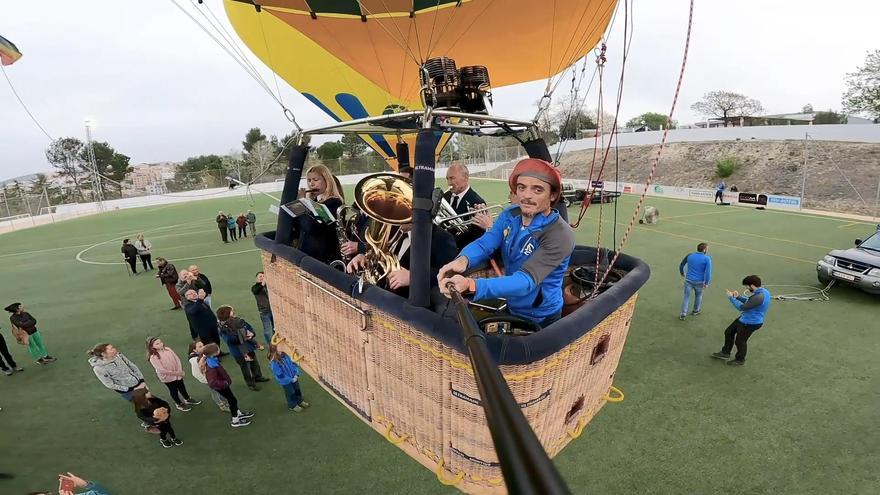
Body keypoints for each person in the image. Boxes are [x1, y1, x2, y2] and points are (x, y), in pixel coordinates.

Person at [438, 158, 576, 327]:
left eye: (537, 189)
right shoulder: (510, 215)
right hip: (513, 303)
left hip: (541, 315)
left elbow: (525, 281)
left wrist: (471, 285)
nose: (526, 195)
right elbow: (485, 243)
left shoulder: (559, 234)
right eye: (521, 187)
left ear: (553, 195)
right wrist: (462, 260)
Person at [347, 222, 458, 298]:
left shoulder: (442, 238)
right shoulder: (397, 230)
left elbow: (450, 274)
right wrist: (366, 258)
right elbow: (383, 258)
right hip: (382, 298)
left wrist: (413, 277)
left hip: (410, 310)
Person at [711, 275, 771, 366]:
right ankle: (725, 353)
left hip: (751, 323)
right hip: (745, 319)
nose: (746, 288)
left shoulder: (759, 297)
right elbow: (749, 301)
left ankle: (740, 359)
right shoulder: (764, 292)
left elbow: (742, 307)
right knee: (729, 332)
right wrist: (738, 296)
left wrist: (731, 298)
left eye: (747, 286)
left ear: (752, 285)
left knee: (740, 341)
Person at [296, 164, 344, 263]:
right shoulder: (316, 202)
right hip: (308, 256)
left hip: (322, 260)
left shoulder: (334, 202)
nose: (311, 184)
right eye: (309, 181)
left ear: (327, 180)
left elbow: (311, 227)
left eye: (315, 180)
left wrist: (302, 203)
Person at [201, 343, 254, 427]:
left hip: (222, 385)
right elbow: (212, 382)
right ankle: (235, 420)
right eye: (217, 349)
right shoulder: (212, 366)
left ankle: (238, 413)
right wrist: (224, 383)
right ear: (214, 353)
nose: (219, 350)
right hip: (221, 386)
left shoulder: (212, 360)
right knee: (232, 400)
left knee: (232, 399)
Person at [217, 305, 269, 391]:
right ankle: (250, 383)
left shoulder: (239, 320)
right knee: (245, 367)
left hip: (248, 346)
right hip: (238, 351)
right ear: (227, 314)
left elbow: (249, 327)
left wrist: (251, 334)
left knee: (254, 362)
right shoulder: (222, 328)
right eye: (232, 311)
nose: (234, 312)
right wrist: (242, 336)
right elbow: (229, 341)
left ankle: (257, 376)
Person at [146, 337, 201, 412]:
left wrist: (179, 370)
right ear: (152, 347)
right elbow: (161, 370)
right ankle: (179, 404)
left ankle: (187, 398)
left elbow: (177, 359)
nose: (161, 344)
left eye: (160, 342)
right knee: (173, 390)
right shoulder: (153, 357)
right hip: (167, 377)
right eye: (157, 343)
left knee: (182, 386)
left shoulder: (168, 349)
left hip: (178, 373)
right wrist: (177, 373)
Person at [443, 164, 491, 248]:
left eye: (452, 178)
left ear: (465, 178)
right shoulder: (445, 196)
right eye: (447, 179)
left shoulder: (477, 202)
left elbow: (476, 237)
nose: (449, 183)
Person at [187, 340, 230, 412]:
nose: (203, 347)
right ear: (194, 350)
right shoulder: (194, 359)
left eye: (203, 345)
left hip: (208, 375)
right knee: (214, 391)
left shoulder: (202, 354)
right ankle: (221, 405)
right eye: (200, 346)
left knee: (217, 389)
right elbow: (201, 369)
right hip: (204, 377)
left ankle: (223, 399)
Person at [268, 344, 311, 412]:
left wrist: (296, 374)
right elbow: (280, 375)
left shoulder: (286, 355)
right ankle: (293, 405)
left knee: (297, 389)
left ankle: (299, 401)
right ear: (275, 350)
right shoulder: (274, 362)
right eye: (281, 347)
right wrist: (291, 379)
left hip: (294, 377)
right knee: (291, 393)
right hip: (286, 382)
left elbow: (294, 364)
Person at [679, 242, 712, 320]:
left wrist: (682, 272)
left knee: (686, 297)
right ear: (704, 250)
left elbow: (681, 264)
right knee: (698, 296)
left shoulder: (689, 256)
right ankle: (695, 310)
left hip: (688, 280)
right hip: (699, 282)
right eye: (707, 249)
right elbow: (708, 272)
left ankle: (683, 313)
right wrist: (707, 283)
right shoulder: (707, 259)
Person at [251, 272, 275, 344]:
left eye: (263, 276)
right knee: (267, 331)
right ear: (256, 279)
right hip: (264, 312)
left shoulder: (269, 285)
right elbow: (255, 291)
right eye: (260, 276)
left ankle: (276, 342)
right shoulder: (255, 287)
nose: (262, 278)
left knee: (276, 328)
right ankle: (270, 344)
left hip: (273, 310)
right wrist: (262, 284)